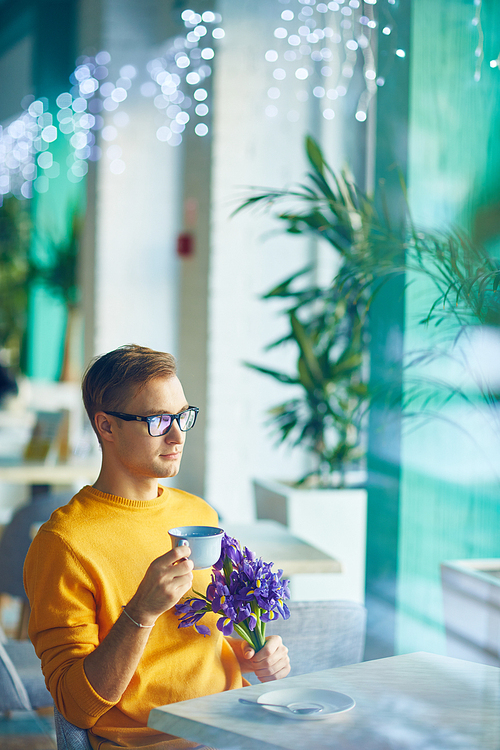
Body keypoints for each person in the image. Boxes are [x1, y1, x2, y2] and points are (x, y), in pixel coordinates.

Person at [24, 344, 290, 750]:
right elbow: (75, 707)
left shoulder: (199, 515)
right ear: (107, 427)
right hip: (157, 742)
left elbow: (204, 639)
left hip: (238, 723)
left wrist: (250, 654)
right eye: (158, 420)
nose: (177, 434)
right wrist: (140, 612)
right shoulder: (63, 543)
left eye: (182, 416)